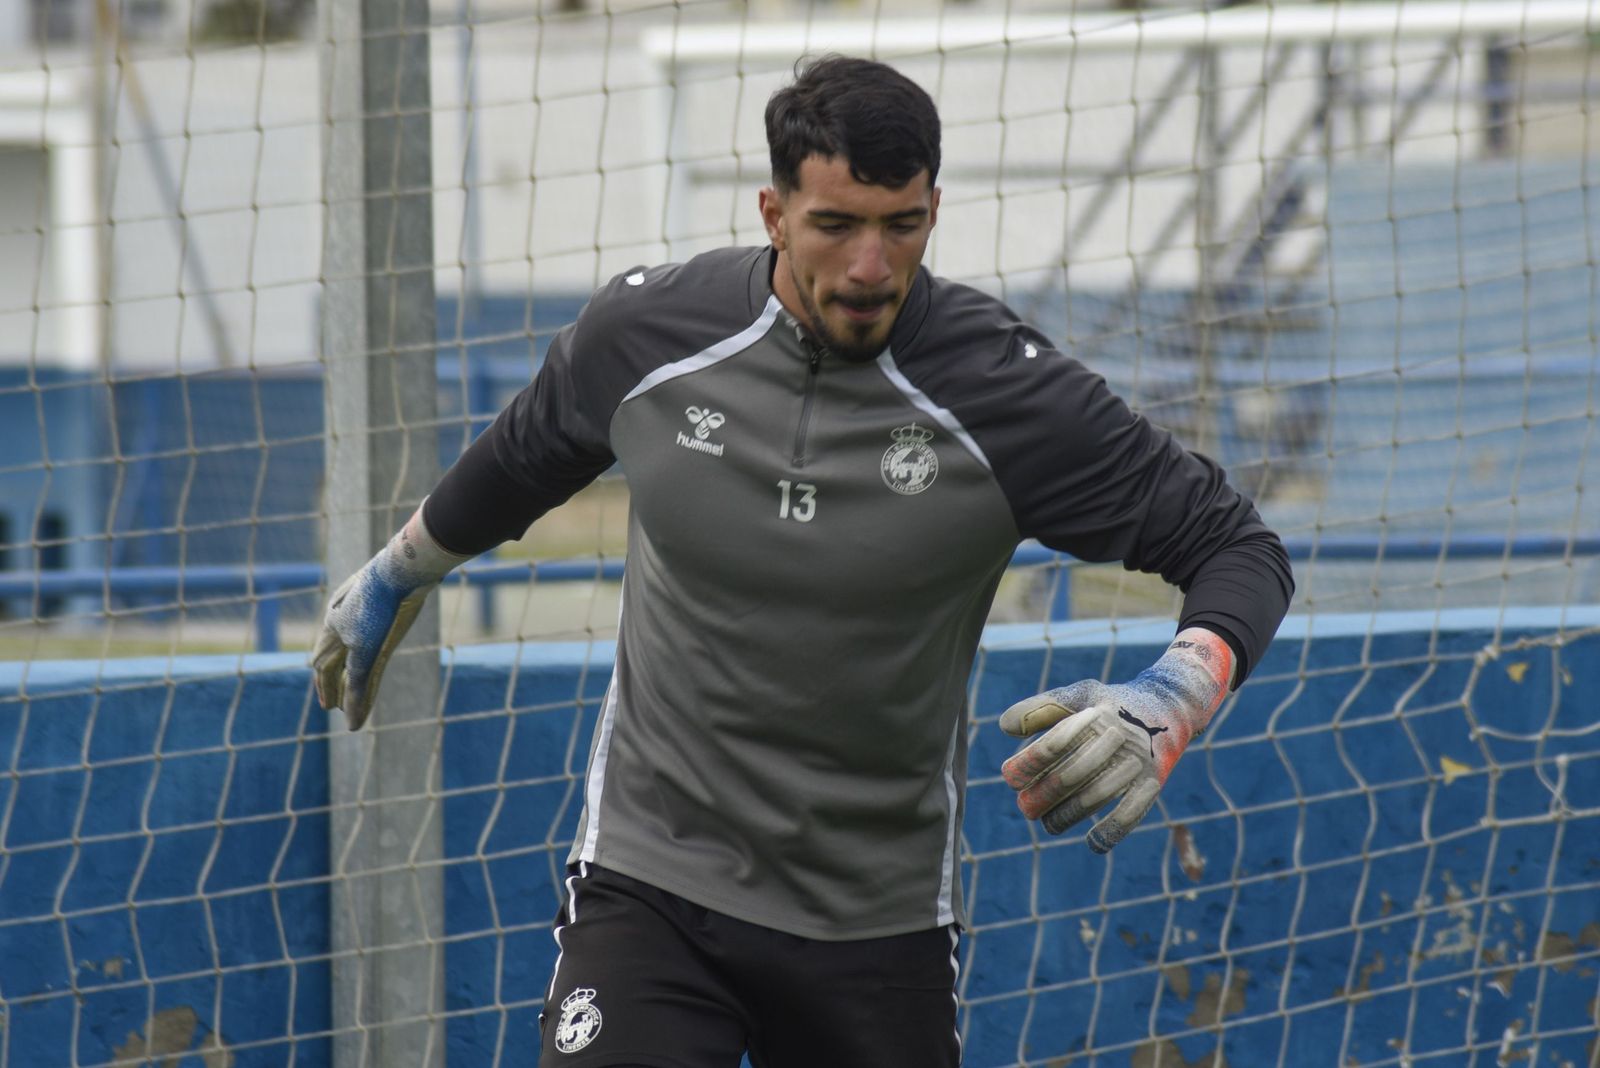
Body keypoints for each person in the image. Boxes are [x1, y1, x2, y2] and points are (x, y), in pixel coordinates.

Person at [312, 54, 1295, 1068]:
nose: (870, 265)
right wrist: (400, 569)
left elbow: (1237, 547)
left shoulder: (1008, 397)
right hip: (653, 886)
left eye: (901, 225)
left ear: (933, 210)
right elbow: (527, 456)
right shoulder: (649, 334)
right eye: (835, 225)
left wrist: (1168, 701)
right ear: (774, 212)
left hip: (878, 924)